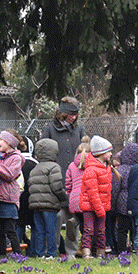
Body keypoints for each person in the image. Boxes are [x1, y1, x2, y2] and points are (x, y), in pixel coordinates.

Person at [40, 97, 87, 255]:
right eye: (71, 114)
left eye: (76, 114)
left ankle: (71, 252)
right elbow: (42, 152)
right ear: (63, 113)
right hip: (56, 180)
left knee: (74, 219)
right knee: (57, 217)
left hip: (75, 181)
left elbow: (86, 150)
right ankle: (53, 248)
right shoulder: (50, 129)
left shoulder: (79, 130)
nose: (74, 117)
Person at [27, 138, 66, 258]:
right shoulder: (54, 167)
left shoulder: (35, 168)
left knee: (39, 230)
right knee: (51, 230)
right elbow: (57, 187)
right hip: (50, 205)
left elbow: (30, 185)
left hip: (36, 205)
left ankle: (39, 253)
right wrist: (64, 197)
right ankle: (51, 253)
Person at [0, 131, 25, 256]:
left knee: (10, 229)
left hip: (8, 198)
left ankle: (17, 254)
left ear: (9, 143)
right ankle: (3, 255)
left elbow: (10, 175)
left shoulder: (16, 158)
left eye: (2, 140)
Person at [79, 136, 114, 258]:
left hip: (102, 206)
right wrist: (99, 209)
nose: (111, 154)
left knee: (101, 231)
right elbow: (92, 192)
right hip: (90, 206)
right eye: (109, 151)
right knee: (88, 229)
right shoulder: (91, 170)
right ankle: (86, 253)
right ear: (101, 153)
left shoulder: (107, 167)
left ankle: (100, 252)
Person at [111, 143, 138, 253]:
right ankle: (136, 247)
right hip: (136, 202)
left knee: (122, 229)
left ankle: (121, 250)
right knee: (134, 228)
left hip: (122, 203)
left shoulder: (120, 170)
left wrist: (113, 205)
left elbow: (115, 189)